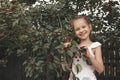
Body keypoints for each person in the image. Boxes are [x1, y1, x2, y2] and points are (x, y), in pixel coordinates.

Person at [62, 15, 104, 80]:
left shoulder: (95, 46)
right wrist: (65, 51)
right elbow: (65, 68)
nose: (81, 30)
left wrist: (90, 57)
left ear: (89, 27)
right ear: (75, 32)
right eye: (77, 29)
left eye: (83, 27)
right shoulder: (73, 48)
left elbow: (100, 70)